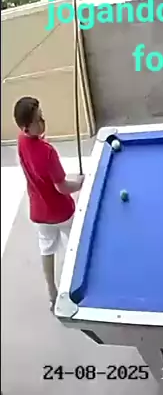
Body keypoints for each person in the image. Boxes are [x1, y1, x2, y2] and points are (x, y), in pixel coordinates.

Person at [14, 97, 84, 310]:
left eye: (42, 116)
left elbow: (34, 156)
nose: (43, 121)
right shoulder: (48, 152)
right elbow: (62, 187)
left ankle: (52, 290)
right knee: (77, 245)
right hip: (61, 212)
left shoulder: (21, 140)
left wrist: (40, 141)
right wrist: (80, 183)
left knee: (47, 248)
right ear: (26, 127)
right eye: (38, 119)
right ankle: (77, 286)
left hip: (38, 212)